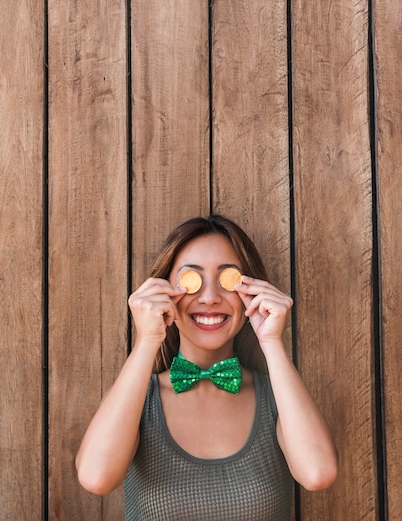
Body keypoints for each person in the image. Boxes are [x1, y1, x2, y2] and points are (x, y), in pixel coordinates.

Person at [76, 215, 338, 520]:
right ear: (165, 293)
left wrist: (271, 341)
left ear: (250, 293)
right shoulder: (138, 401)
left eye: (229, 280)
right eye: (192, 280)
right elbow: (96, 478)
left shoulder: (278, 398)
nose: (211, 298)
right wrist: (147, 339)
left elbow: (318, 474)